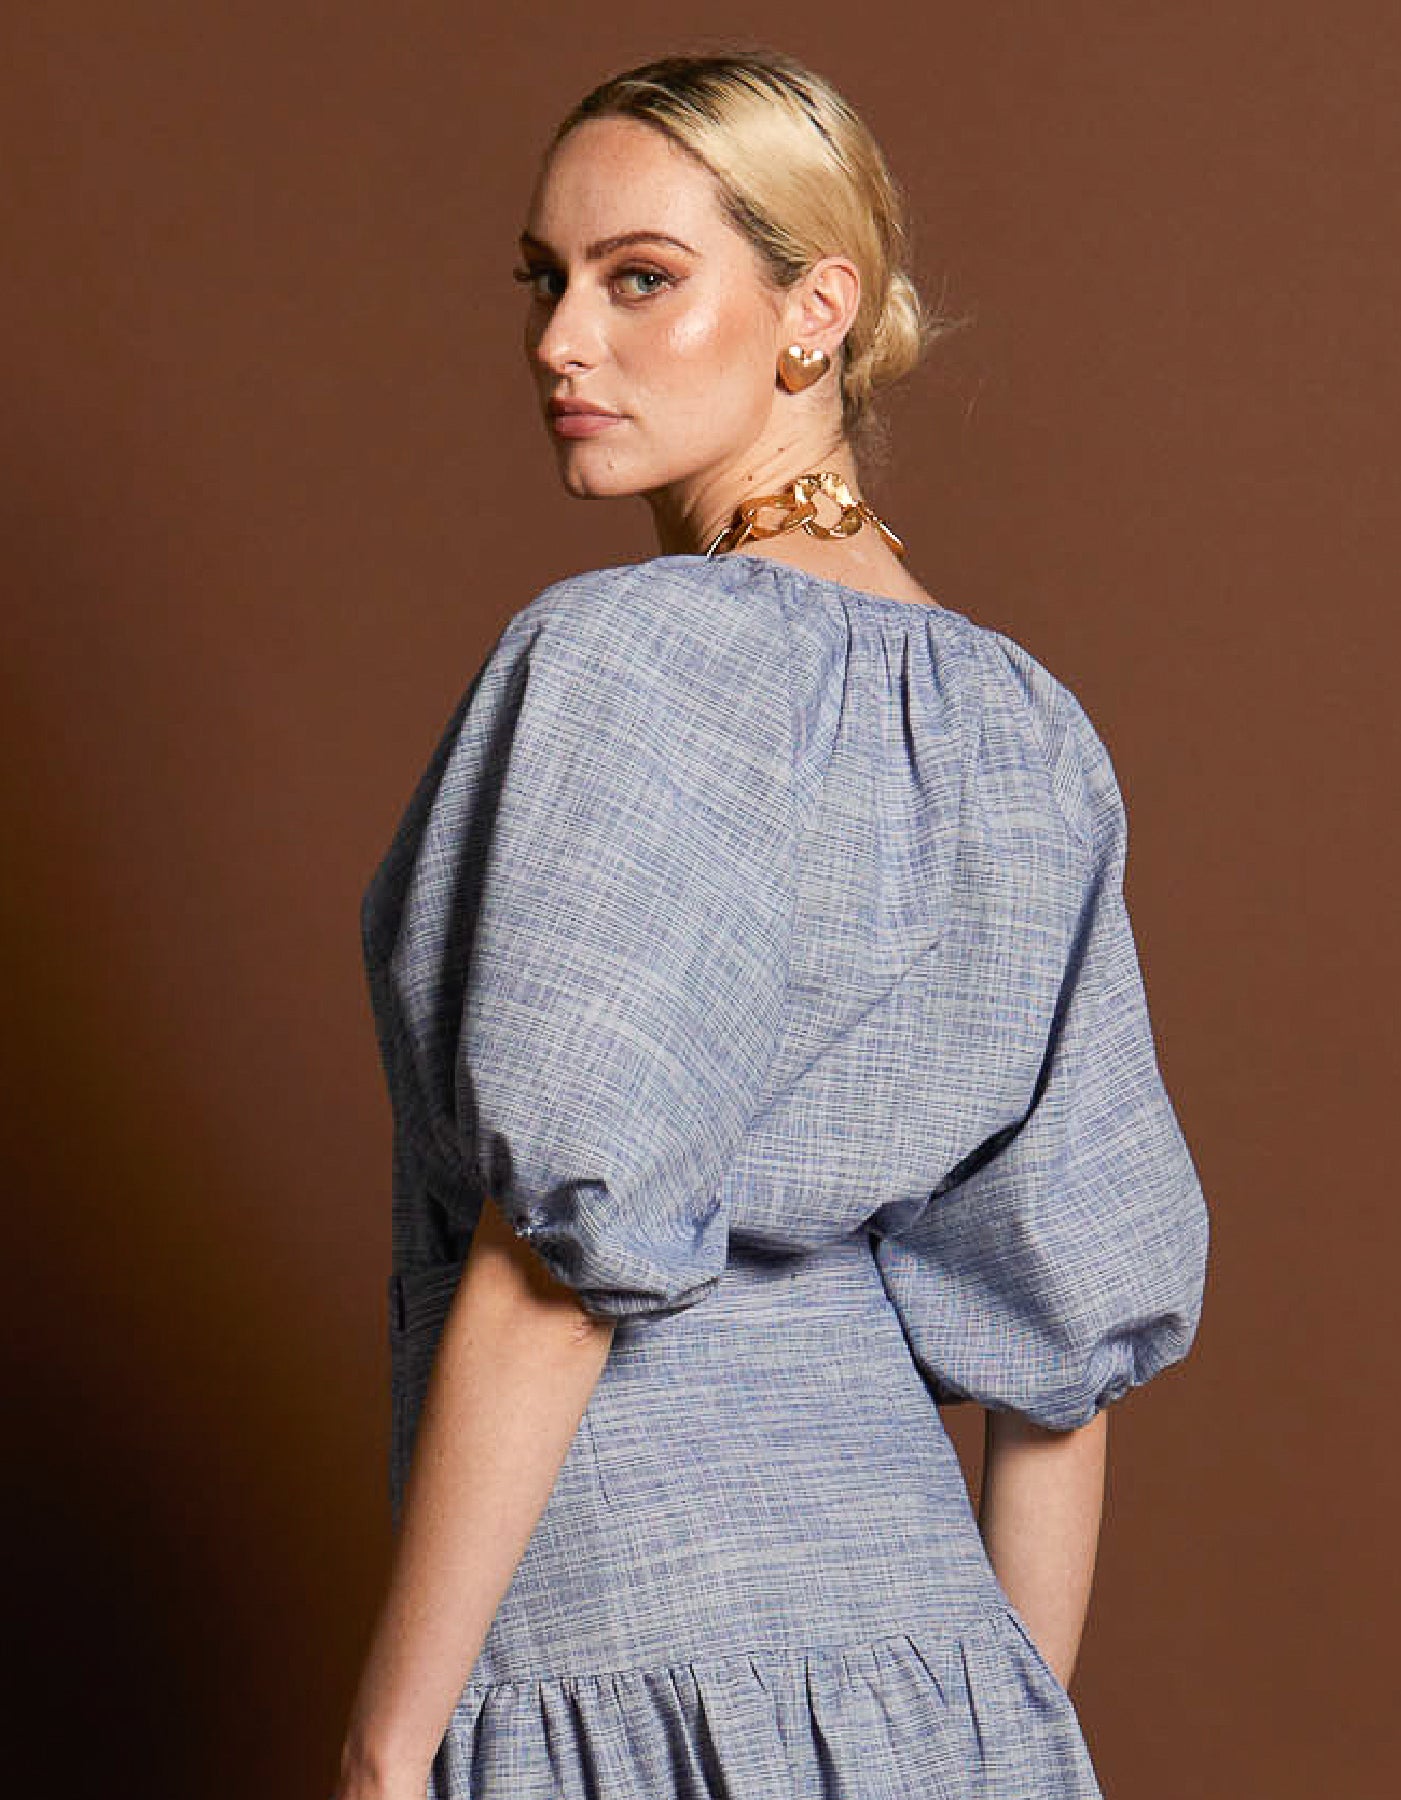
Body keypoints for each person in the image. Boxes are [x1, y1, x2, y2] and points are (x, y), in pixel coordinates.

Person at [335, 46, 1211, 1800]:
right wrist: (1008, 1730)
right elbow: (1063, 1343)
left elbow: (553, 1274)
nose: (560, 340)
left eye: (639, 279)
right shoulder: (1029, 730)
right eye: (546, 279)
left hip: (618, 1650)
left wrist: (387, 1746)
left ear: (819, 310)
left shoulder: (626, 659)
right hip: (938, 1684)